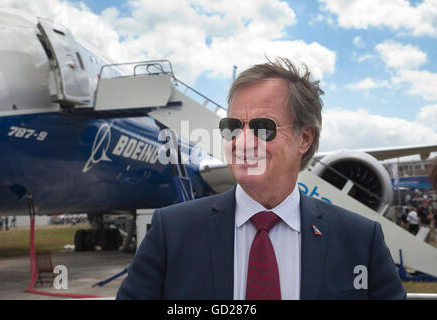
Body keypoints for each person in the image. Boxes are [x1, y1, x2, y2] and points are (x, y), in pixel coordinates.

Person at [116, 58, 405, 300]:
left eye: (263, 128)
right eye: (232, 127)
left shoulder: (360, 240)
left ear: (304, 138)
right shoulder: (171, 233)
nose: (242, 141)